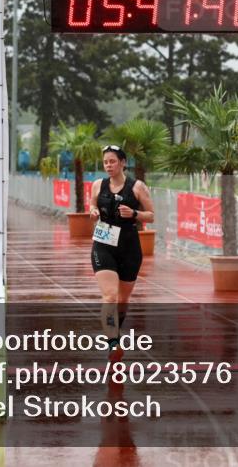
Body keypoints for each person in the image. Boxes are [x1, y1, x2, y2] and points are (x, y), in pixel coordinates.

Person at [89, 145, 155, 350]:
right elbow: (92, 204)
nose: (108, 165)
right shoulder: (98, 185)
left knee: (123, 299)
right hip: (103, 243)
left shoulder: (137, 187)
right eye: (105, 162)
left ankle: (114, 330)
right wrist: (92, 210)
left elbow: (151, 215)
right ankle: (112, 341)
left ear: (123, 163)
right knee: (110, 295)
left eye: (112, 161)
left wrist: (135, 214)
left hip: (129, 246)